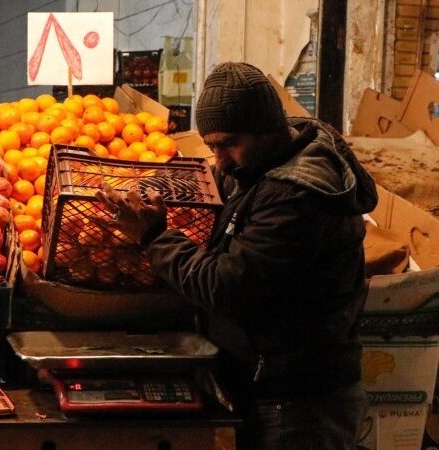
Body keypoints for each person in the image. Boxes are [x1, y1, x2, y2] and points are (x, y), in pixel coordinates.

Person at [97, 62, 377, 450]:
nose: (220, 160)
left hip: (298, 401)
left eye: (228, 144)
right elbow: (221, 182)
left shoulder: (296, 197)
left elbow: (226, 285)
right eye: (212, 147)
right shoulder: (263, 163)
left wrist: (154, 236)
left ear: (267, 130)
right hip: (271, 384)